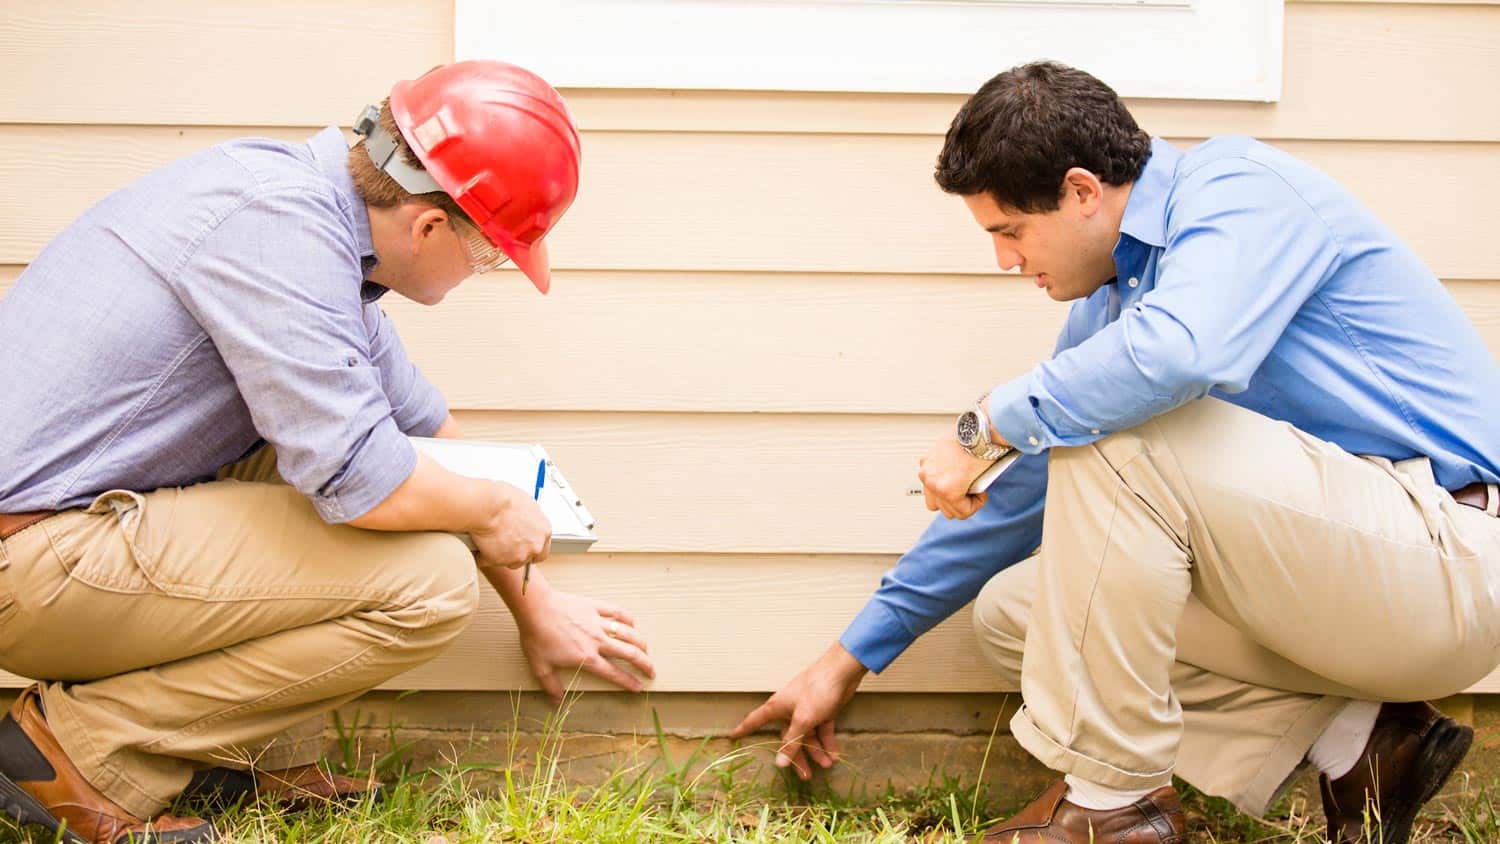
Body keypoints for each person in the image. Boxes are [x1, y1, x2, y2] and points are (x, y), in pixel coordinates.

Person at [731, 61, 1500, 844]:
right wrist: (849, 657)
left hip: (1449, 558)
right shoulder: (1112, 312)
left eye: (1009, 231)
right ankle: (1362, 741)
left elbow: (1182, 356)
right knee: (1015, 613)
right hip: (1346, 589)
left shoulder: (1240, 189)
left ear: (1082, 191)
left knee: (1117, 431)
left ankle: (1113, 808)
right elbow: (1020, 499)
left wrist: (986, 420)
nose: (1004, 261)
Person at [0, 60, 654, 844]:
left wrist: (535, 605)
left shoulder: (315, 223)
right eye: (488, 258)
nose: (484, 275)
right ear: (429, 226)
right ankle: (73, 752)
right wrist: (492, 512)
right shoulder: (282, 235)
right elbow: (367, 481)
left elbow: (423, 440)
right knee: (432, 584)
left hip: (64, 532)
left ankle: (178, 757)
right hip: (30, 557)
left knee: (365, 475)